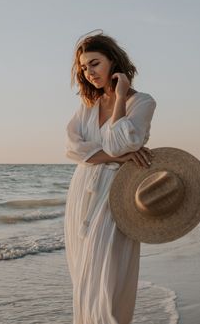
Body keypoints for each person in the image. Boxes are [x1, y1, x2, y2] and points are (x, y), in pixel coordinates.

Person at [64, 30, 156, 324]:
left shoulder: (142, 103)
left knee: (107, 278)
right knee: (84, 276)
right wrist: (118, 157)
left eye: (94, 63)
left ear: (112, 61)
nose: (89, 72)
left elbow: (118, 142)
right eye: (83, 67)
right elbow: (74, 149)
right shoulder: (87, 106)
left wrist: (118, 99)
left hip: (118, 192)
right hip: (82, 192)